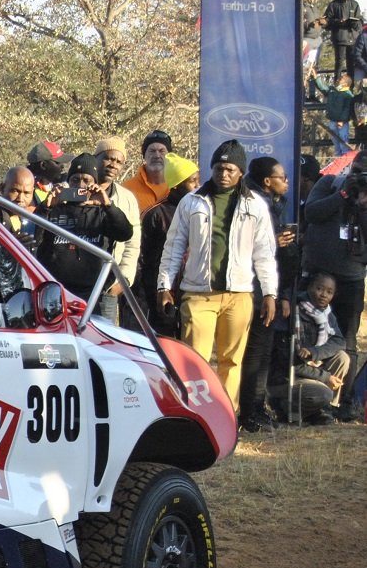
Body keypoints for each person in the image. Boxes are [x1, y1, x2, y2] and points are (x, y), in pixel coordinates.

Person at [156, 140, 279, 411]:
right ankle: (195, 414)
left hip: (239, 294)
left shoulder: (255, 204)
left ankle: (226, 414)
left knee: (231, 360)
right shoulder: (192, 201)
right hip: (198, 293)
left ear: (240, 172)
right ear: (212, 168)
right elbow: (174, 245)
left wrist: (270, 292)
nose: (223, 174)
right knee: (194, 359)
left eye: (230, 169)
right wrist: (164, 285)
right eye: (219, 168)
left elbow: (264, 253)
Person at [300, 151, 367, 422]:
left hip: (351, 277)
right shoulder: (329, 183)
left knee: (347, 341)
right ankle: (312, 397)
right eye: (357, 170)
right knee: (310, 335)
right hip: (319, 274)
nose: (359, 177)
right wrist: (342, 196)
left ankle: (347, 401)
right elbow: (312, 213)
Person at [237, 157, 297, 432]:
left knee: (263, 351)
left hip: (270, 286)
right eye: (282, 177)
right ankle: (248, 411)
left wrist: (282, 292)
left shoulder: (274, 203)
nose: (286, 182)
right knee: (254, 351)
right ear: (266, 181)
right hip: (251, 286)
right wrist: (274, 239)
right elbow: (248, 244)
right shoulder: (250, 202)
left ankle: (257, 407)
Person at [36, 153, 133, 303]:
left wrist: (107, 205)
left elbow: (125, 233)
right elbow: (35, 237)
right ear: (68, 182)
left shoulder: (102, 212)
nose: (80, 185)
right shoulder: (55, 209)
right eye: (75, 180)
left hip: (94, 294)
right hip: (55, 292)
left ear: (95, 184)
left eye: (86, 181)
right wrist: (45, 207)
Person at [271, 272, 352, 426]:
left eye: (329, 292)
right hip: (287, 377)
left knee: (342, 357)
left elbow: (339, 341)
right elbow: (290, 363)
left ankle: (325, 409)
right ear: (309, 288)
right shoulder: (293, 311)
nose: (324, 295)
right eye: (319, 289)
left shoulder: (327, 314)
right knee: (323, 393)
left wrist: (315, 352)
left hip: (312, 369)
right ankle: (289, 409)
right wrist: (326, 377)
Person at [136, 154, 200, 335]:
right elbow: (144, 257)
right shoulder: (155, 213)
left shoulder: (201, 209)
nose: (198, 186)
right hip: (162, 287)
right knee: (164, 340)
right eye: (192, 181)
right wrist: (152, 290)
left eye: (198, 180)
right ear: (177, 185)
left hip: (193, 286)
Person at [94, 137, 141, 322]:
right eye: (108, 158)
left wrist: (123, 281)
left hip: (108, 286)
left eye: (119, 162)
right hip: (73, 285)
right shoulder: (73, 188)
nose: (113, 165)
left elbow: (132, 243)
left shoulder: (126, 198)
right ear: (95, 157)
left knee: (105, 345)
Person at [123, 130, 173, 217]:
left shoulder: (179, 187)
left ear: (170, 156)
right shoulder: (126, 189)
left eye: (162, 151)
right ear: (144, 156)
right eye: (152, 151)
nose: (157, 156)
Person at [325, 0, 363, 81]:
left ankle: (350, 88)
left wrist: (355, 23)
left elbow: (360, 23)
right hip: (340, 39)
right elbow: (326, 22)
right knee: (339, 63)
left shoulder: (354, 4)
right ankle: (337, 86)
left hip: (352, 39)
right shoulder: (333, 5)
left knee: (351, 64)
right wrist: (338, 22)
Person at [0, 165, 38, 247]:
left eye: (27, 193)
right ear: (2, 188)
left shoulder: (32, 220)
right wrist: (8, 247)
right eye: (15, 191)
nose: (20, 198)